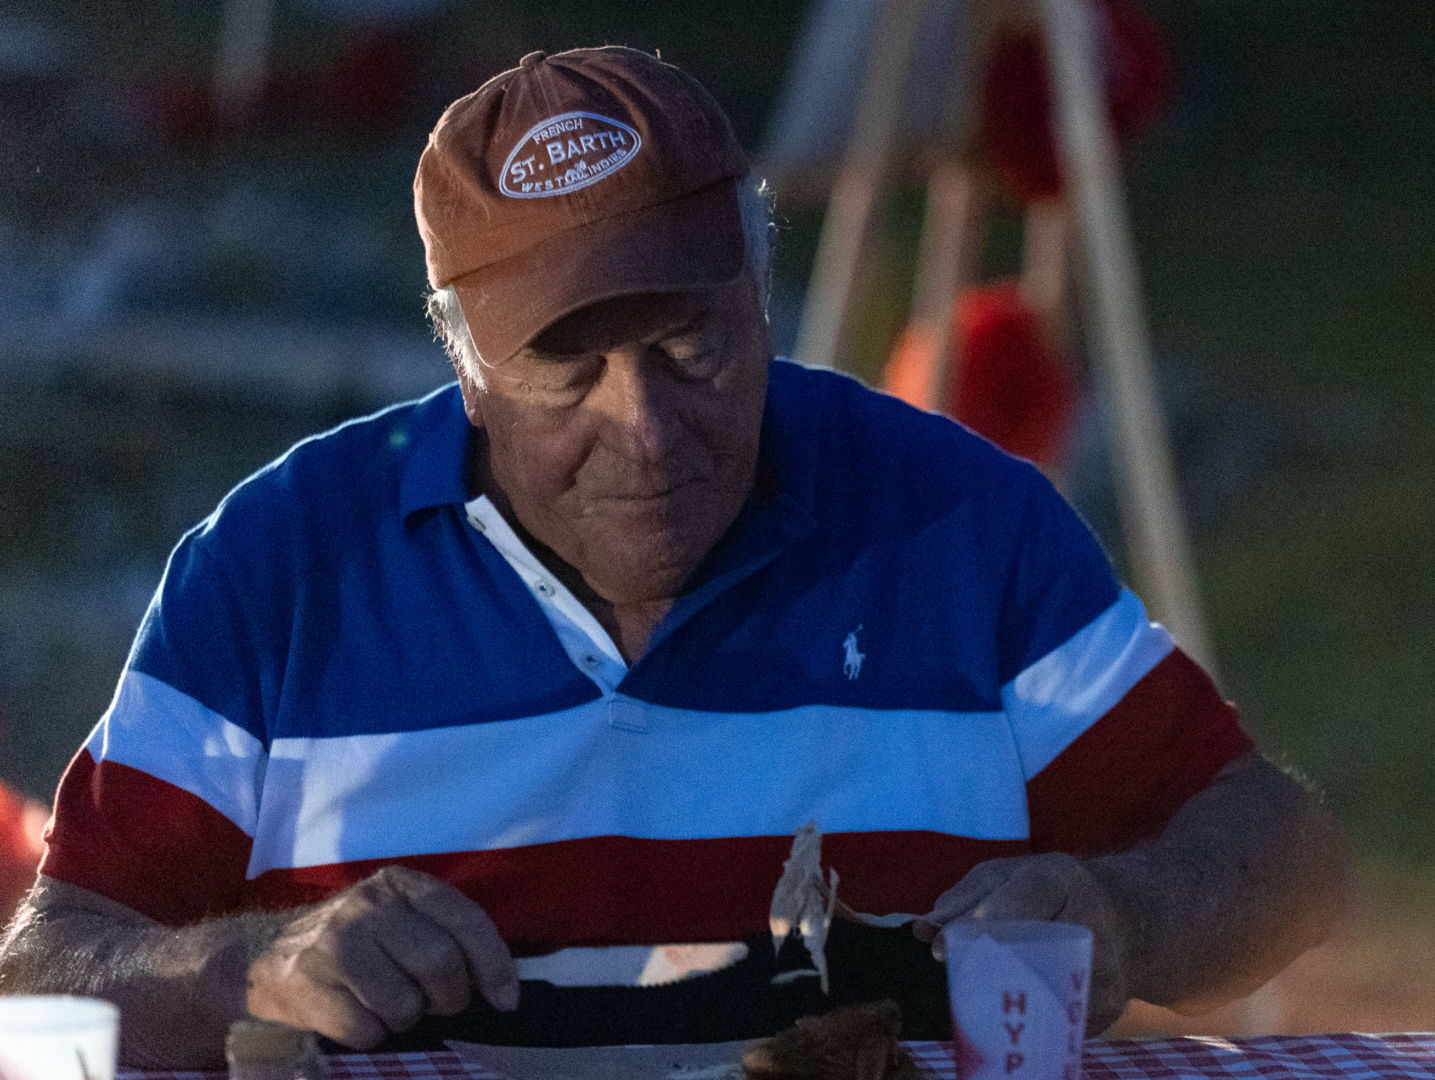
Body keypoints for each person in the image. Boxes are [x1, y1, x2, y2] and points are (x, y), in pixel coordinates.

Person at [0, 46, 1349, 1067]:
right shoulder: (280, 569)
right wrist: (248, 967)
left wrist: (1123, 911)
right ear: (466, 372)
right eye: (566, 369)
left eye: (690, 345)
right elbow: (41, 981)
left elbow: (1282, 855)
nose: (643, 427)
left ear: (761, 302)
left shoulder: (952, 521)